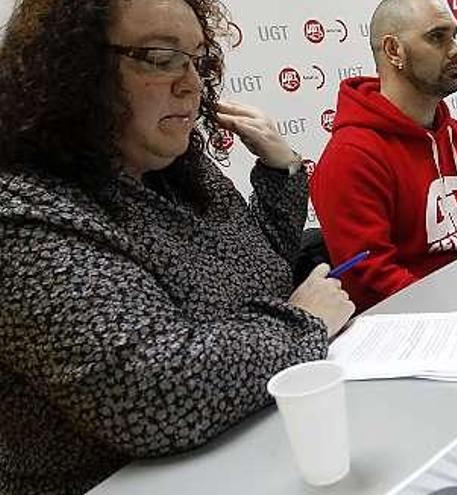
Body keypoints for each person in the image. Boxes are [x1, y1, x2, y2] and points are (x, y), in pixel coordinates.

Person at [0, 0, 355, 493]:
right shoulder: (24, 215)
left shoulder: (183, 174)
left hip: (249, 449)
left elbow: (260, 272)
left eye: (198, 59)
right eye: (161, 57)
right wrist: (304, 321)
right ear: (72, 70)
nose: (192, 84)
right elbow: (156, 393)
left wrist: (283, 171)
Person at [311, 0, 457, 311]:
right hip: (414, 325)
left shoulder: (456, 134)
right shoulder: (350, 156)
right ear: (394, 51)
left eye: (455, 36)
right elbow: (371, 280)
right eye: (437, 37)